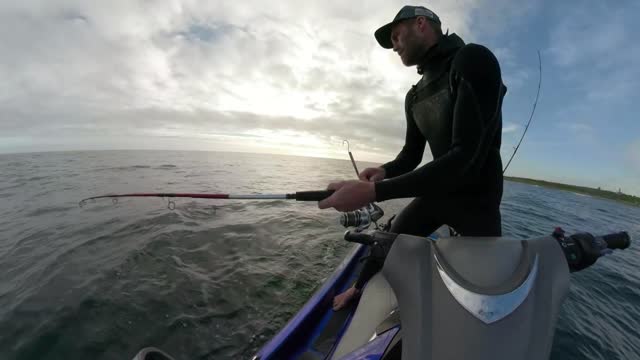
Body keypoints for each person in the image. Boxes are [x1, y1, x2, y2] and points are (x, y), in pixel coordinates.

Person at [318, 5, 507, 310]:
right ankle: (357, 288)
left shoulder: (472, 60)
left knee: (486, 306)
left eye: (396, 35)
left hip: (479, 203)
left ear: (421, 24)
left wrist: (373, 192)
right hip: (439, 195)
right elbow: (411, 155)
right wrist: (382, 172)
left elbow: (465, 158)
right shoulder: (415, 96)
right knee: (387, 241)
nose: (394, 45)